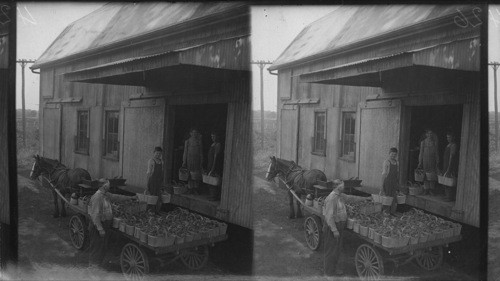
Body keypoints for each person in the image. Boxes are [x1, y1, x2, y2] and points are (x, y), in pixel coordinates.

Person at [323, 180, 370, 276]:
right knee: (331, 250)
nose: (344, 187)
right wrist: (334, 230)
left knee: (338, 249)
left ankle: (336, 269)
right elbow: (329, 217)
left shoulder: (340, 196)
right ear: (337, 187)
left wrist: (366, 198)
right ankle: (328, 273)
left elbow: (351, 198)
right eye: (342, 186)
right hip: (333, 227)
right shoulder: (331, 198)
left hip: (340, 226)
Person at [88, 179, 136, 268]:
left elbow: (116, 197)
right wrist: (100, 229)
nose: (109, 186)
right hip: (97, 227)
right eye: (108, 185)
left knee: (102, 246)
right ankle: (93, 268)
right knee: (96, 247)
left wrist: (130, 198)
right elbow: (95, 215)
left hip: (105, 225)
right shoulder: (97, 197)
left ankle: (98, 265)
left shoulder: (105, 195)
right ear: (104, 186)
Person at [418, 129, 439, 195]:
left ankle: (431, 189)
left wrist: (438, 160)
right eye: (428, 133)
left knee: (432, 175)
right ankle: (426, 189)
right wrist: (420, 162)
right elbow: (421, 153)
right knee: (425, 175)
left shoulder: (434, 142)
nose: (430, 135)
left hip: (432, 160)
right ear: (426, 134)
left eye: (431, 133)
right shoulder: (423, 142)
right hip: (425, 160)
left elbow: (436, 152)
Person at [182, 128, 203, 194]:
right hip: (189, 160)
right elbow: (185, 152)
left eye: (195, 132)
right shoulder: (187, 141)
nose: (194, 134)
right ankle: (190, 188)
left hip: (197, 160)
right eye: (193, 132)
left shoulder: (199, 142)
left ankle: (195, 188)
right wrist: (184, 161)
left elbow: (201, 152)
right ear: (190, 133)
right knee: (189, 174)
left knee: (196, 174)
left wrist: (202, 160)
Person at [381, 147, 399, 214]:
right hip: (388, 182)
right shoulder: (386, 162)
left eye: (395, 154)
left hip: (394, 182)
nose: (393, 155)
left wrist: (397, 183)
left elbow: (397, 173)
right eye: (392, 154)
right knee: (387, 197)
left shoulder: (397, 162)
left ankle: (392, 212)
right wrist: (382, 185)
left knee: (393, 197)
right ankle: (386, 212)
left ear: (396, 155)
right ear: (389, 154)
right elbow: (384, 174)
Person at [206, 132, 223, 201]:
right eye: (211, 136)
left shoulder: (218, 145)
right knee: (210, 180)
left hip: (214, 164)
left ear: (217, 137)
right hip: (210, 163)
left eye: (214, 136)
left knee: (214, 180)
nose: (212, 138)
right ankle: (212, 195)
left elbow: (216, 157)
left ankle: (214, 196)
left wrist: (213, 167)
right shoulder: (212, 144)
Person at [146, 146, 164, 212]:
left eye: (160, 154)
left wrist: (162, 183)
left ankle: (156, 212)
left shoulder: (161, 161)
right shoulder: (151, 161)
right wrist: (147, 185)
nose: (158, 155)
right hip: (152, 182)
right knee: (152, 198)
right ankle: (150, 212)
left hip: (158, 182)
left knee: (159, 198)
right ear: (154, 153)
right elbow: (148, 173)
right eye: (157, 153)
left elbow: (162, 173)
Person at [442, 132, 459, 202]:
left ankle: (450, 197)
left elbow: (451, 157)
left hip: (450, 165)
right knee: (445, 180)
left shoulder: (453, 145)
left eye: (449, 137)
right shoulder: (448, 145)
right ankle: (447, 196)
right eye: (447, 137)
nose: (448, 139)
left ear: (453, 137)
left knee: (450, 180)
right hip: (445, 164)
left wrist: (449, 168)